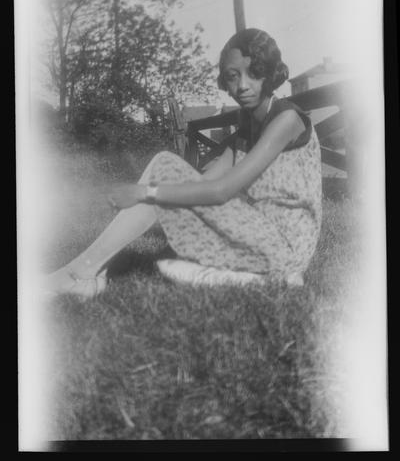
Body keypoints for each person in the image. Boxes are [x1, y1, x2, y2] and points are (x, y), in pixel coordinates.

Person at [45, 28, 322, 299]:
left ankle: (82, 275)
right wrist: (161, 192)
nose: (242, 86)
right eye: (232, 77)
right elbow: (204, 181)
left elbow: (221, 191)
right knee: (165, 168)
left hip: (286, 247)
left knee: (164, 167)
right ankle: (89, 271)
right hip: (261, 234)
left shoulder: (286, 120)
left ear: (270, 74)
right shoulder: (246, 130)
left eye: (254, 73)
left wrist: (146, 193)